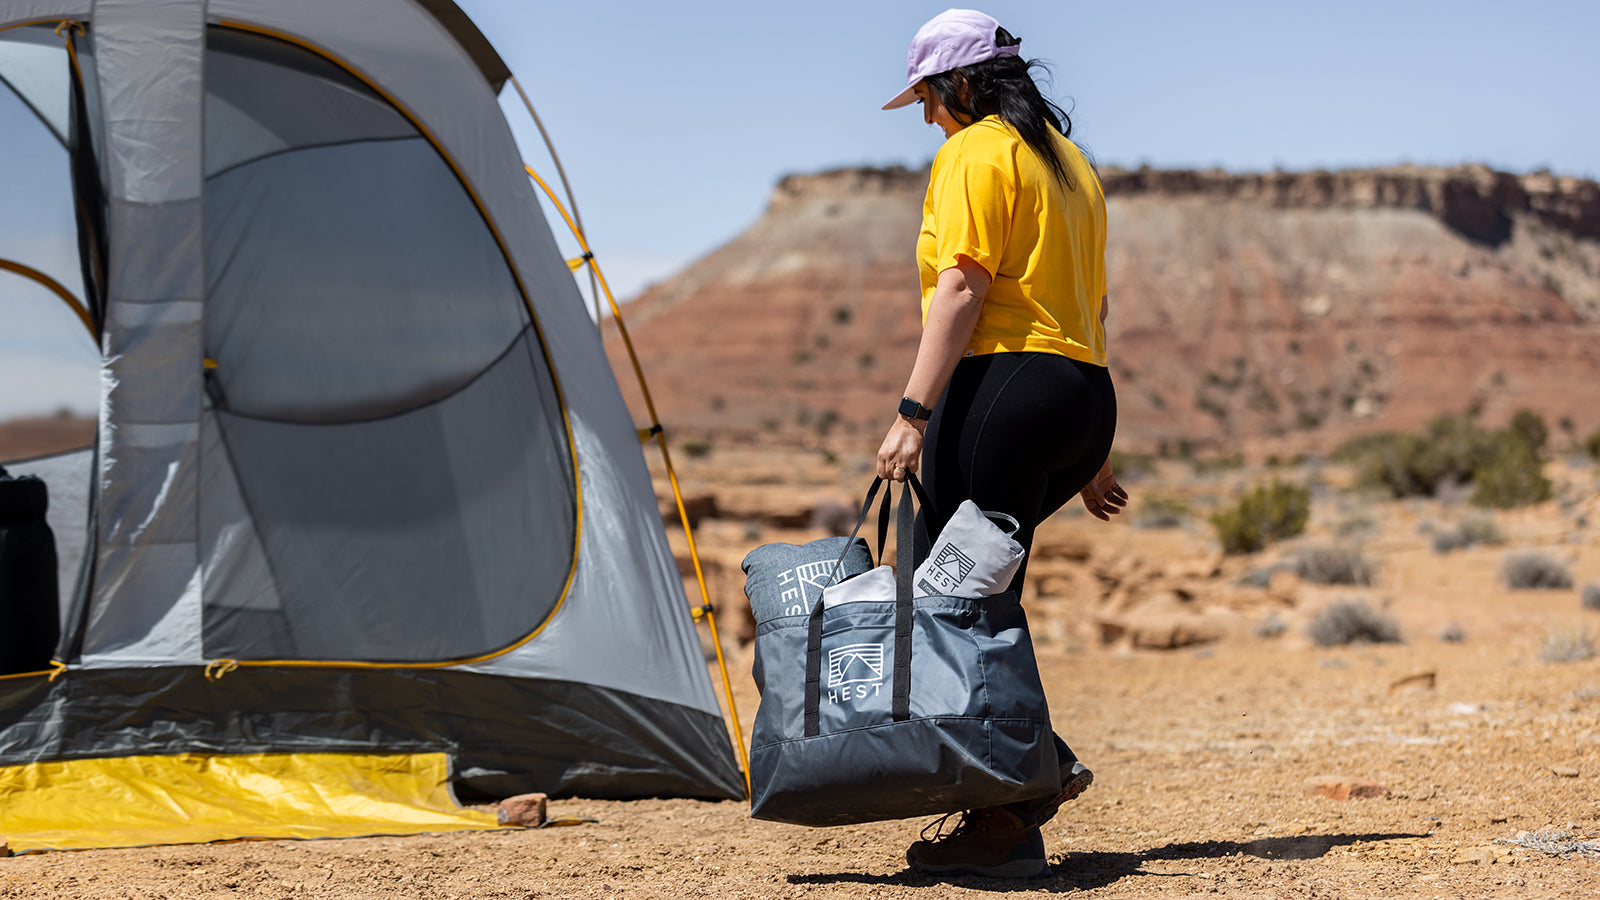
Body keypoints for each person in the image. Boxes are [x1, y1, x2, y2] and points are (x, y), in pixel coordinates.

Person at [875, 8, 1127, 879]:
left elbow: (961, 287)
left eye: (928, 97)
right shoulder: (1070, 164)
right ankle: (1030, 770)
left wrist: (913, 412)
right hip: (1080, 396)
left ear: (963, 83)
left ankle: (1014, 808)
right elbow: (1093, 306)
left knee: (947, 599)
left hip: (1004, 394)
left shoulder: (974, 152)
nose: (926, 116)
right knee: (976, 592)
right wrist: (1090, 450)